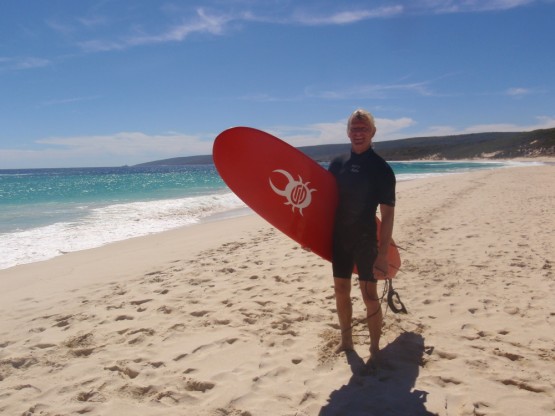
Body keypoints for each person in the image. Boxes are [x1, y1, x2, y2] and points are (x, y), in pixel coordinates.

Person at [328, 109, 396, 362]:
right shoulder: (337, 164)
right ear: (348, 132)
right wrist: (308, 235)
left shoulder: (381, 169)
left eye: (363, 129)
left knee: (369, 295)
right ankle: (346, 341)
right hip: (339, 238)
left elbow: (387, 215)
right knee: (341, 290)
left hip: (366, 239)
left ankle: (375, 348)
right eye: (354, 129)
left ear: (373, 132)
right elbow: (324, 204)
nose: (358, 133)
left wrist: (382, 254)